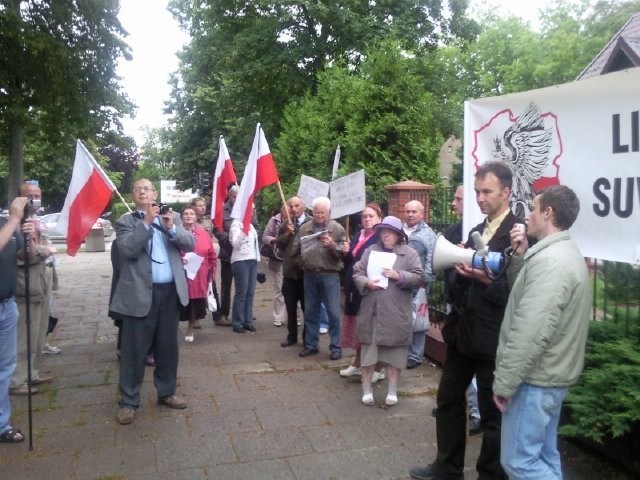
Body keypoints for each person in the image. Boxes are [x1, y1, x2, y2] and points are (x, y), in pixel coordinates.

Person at [410, 161, 521, 480]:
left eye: (487, 191)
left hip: (492, 338)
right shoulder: (475, 231)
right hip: (462, 334)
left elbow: (516, 293)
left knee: (491, 413)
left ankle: (490, 474)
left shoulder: (518, 234)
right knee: (447, 400)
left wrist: (486, 279)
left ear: (506, 192)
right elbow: (456, 285)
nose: (480, 198)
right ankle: (447, 467)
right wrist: (459, 267)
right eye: (476, 192)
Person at [493, 185, 590, 479]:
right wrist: (521, 257)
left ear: (548, 212)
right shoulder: (560, 254)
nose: (528, 216)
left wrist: (505, 382)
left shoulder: (551, 262)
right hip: (548, 378)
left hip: (535, 380)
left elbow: (530, 331)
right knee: (545, 456)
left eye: (534, 209)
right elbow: (531, 296)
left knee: (519, 462)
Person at [109, 178, 194, 425]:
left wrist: (171, 228)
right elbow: (128, 250)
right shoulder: (126, 221)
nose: (143, 192)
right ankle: (128, 402)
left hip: (169, 293)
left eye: (147, 188)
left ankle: (167, 392)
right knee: (134, 351)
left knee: (168, 348)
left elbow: (190, 243)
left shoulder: (172, 217)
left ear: (155, 193)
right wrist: (146, 222)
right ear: (133, 195)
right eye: (137, 189)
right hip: (139, 295)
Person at [352, 216, 423, 406]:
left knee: (395, 355)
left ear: (399, 235)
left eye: (390, 231)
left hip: (396, 314)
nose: (386, 234)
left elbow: (418, 277)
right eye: (383, 231)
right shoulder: (370, 251)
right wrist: (366, 282)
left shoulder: (409, 254)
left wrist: (398, 275)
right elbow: (357, 271)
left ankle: (392, 391)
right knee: (369, 354)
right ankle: (366, 390)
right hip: (373, 312)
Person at [441, 185, 481, 435]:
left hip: (474, 309)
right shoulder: (454, 230)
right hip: (456, 302)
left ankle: (476, 413)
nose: (453, 203)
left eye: (458, 199)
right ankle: (455, 405)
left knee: (472, 363)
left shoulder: (479, 231)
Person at [10, 181, 56, 396]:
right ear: (19, 197)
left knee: (39, 330)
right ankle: (17, 379)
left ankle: (33, 372)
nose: (34, 199)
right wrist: (41, 250)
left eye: (37, 195)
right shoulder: (13, 221)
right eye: (29, 195)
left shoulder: (37, 220)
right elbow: (18, 254)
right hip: (24, 283)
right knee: (23, 333)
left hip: (41, 280)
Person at [294, 196, 345, 360]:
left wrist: (332, 245)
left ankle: (336, 347)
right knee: (310, 311)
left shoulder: (337, 229)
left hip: (330, 275)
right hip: (309, 274)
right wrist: (302, 262)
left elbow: (343, 254)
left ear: (329, 212)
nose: (319, 216)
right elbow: (296, 248)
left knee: (333, 313)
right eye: (316, 212)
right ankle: (311, 345)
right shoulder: (305, 228)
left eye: (322, 213)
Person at [339, 203, 385, 384]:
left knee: (372, 329)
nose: (367, 219)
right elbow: (352, 260)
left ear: (379, 218)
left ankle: (379, 368)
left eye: (371, 216)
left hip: (369, 288)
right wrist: (346, 252)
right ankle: (358, 362)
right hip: (354, 287)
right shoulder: (359, 234)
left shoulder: (379, 238)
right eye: (365, 216)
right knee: (360, 327)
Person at [0, 196, 31, 443]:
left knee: (5, 367)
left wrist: (30, 239)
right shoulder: (8, 221)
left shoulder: (5, 222)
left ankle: (1, 424)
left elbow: (23, 256)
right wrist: (13, 220)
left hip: (7, 305)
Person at [402, 200, 436, 370]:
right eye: (408, 211)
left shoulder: (428, 234)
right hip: (399, 281)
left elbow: (432, 257)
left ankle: (415, 356)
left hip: (418, 284)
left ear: (422, 214)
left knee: (418, 321)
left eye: (414, 211)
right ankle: (402, 352)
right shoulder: (398, 231)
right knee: (402, 318)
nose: (410, 214)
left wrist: (427, 280)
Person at [180, 205, 217, 343]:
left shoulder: (203, 234)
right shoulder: (176, 232)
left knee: (194, 305)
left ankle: (190, 329)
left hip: (199, 275)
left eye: (191, 214)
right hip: (181, 273)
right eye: (186, 214)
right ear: (182, 217)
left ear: (196, 217)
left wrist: (211, 275)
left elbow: (212, 255)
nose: (189, 216)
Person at [277, 196, 307, 348]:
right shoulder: (286, 224)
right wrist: (287, 233)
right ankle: (292, 336)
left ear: (303, 206)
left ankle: (307, 337)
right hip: (289, 272)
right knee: (290, 306)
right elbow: (279, 244)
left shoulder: (311, 222)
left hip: (305, 273)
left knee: (307, 307)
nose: (294, 209)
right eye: (291, 206)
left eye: (297, 206)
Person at [190, 197, 222, 328]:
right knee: (196, 290)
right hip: (195, 260)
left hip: (208, 259)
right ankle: (196, 318)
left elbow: (214, 235)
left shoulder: (208, 221)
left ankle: (217, 316)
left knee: (212, 287)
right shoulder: (189, 221)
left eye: (204, 205)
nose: (203, 207)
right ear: (193, 207)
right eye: (199, 205)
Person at [211, 184, 238, 327]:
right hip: (228, 254)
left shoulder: (247, 209)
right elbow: (216, 230)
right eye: (234, 196)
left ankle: (242, 311)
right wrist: (230, 237)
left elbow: (255, 226)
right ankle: (224, 313)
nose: (236, 199)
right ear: (230, 195)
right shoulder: (222, 210)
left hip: (243, 255)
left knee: (243, 285)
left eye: (238, 197)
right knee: (226, 285)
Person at [229, 214, 260, 334]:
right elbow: (235, 243)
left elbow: (255, 245)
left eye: (253, 210)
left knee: (250, 292)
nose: (252, 212)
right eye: (250, 209)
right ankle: (237, 322)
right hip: (241, 260)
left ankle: (248, 321)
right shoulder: (236, 224)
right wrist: (244, 229)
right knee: (242, 292)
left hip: (252, 260)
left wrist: (257, 260)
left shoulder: (251, 225)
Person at [261, 206, 286, 327]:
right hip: (279, 259)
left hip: (294, 260)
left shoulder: (297, 220)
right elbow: (265, 237)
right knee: (280, 288)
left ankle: (296, 316)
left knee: (296, 289)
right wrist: (275, 239)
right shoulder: (274, 220)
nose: (290, 211)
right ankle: (278, 317)